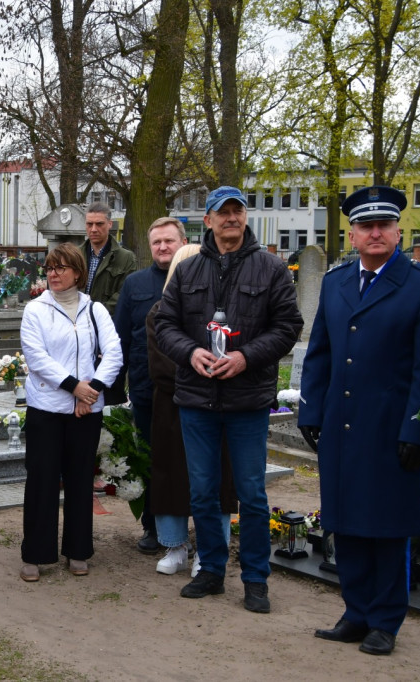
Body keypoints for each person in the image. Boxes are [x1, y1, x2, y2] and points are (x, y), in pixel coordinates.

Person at [299, 186, 420, 655]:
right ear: (353, 234)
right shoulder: (337, 281)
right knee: (346, 520)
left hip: (391, 428)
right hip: (343, 425)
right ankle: (356, 610)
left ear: (398, 231)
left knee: (387, 526)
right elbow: (320, 351)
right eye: (366, 226)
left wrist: (419, 428)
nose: (375, 232)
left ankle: (385, 620)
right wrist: (310, 408)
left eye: (384, 225)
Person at [154, 185, 302, 614]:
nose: (231, 218)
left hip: (247, 400)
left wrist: (245, 357)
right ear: (210, 220)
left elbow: (288, 326)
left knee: (252, 494)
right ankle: (212, 571)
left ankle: (256, 579)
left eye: (237, 211)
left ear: (245, 217)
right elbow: (166, 325)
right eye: (223, 212)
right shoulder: (187, 270)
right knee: (202, 491)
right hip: (197, 400)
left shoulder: (272, 268)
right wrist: (190, 351)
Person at [19, 242, 123, 582]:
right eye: (50, 267)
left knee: (80, 481)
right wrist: (73, 387)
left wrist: (90, 393)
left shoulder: (96, 311)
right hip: (47, 409)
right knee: (42, 481)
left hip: (85, 411)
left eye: (61, 267)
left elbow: (113, 353)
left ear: (77, 273)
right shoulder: (36, 310)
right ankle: (36, 553)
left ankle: (78, 550)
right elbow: (37, 358)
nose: (53, 273)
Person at [146, 243, 238, 576]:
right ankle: (175, 545)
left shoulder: (223, 312)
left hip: (218, 408)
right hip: (173, 409)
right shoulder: (160, 312)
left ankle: (210, 550)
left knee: (215, 481)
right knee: (172, 477)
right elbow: (160, 366)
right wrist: (202, 373)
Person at [114, 217, 187, 555]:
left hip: (189, 391)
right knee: (149, 459)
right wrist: (114, 389)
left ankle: (188, 527)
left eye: (169, 241)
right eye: (156, 242)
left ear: (182, 242)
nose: (162, 247)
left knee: (187, 461)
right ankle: (152, 527)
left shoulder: (197, 278)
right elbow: (120, 339)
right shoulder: (135, 283)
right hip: (146, 390)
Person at [81, 202, 136, 317]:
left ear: (110, 224)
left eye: (99, 224)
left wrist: (95, 313)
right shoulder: (75, 254)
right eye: (89, 224)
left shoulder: (126, 258)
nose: (94, 229)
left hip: (108, 323)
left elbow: (124, 293)